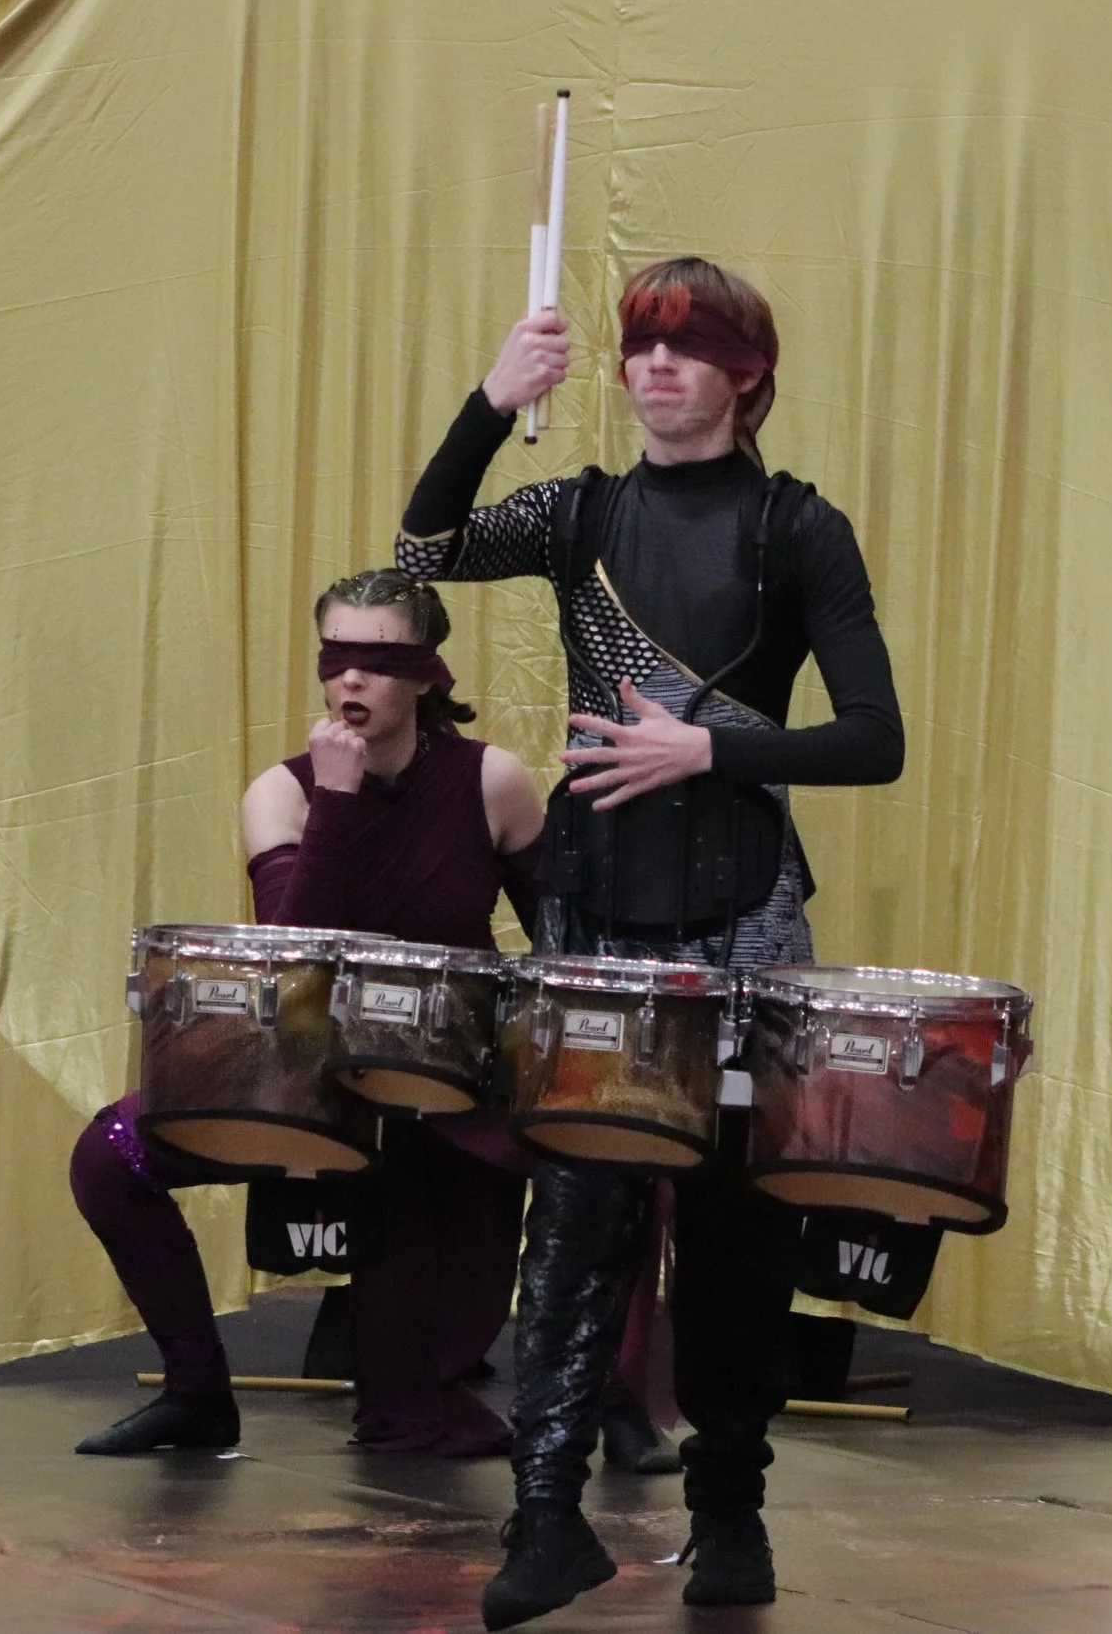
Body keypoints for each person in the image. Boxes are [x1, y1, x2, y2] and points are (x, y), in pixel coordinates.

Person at [396, 256, 904, 1626]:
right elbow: (420, 553)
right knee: (575, 1221)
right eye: (638, 346)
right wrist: (493, 401)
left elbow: (876, 737)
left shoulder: (800, 529)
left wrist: (710, 744)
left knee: (735, 1231)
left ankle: (730, 1507)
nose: (655, 367)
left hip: (742, 919)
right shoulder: (582, 512)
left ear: (748, 373)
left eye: (690, 347)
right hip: (598, 912)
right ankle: (547, 1515)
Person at [68, 570, 551, 1458]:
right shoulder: (283, 793)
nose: (351, 681)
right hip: (302, 1072)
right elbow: (293, 959)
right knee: (110, 1157)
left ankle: (507, 1380)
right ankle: (196, 1388)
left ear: (427, 673)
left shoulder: (493, 782)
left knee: (406, 1419)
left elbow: (559, 942)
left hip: (432, 1092)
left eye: (377, 660)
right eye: (337, 659)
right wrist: (338, 797)